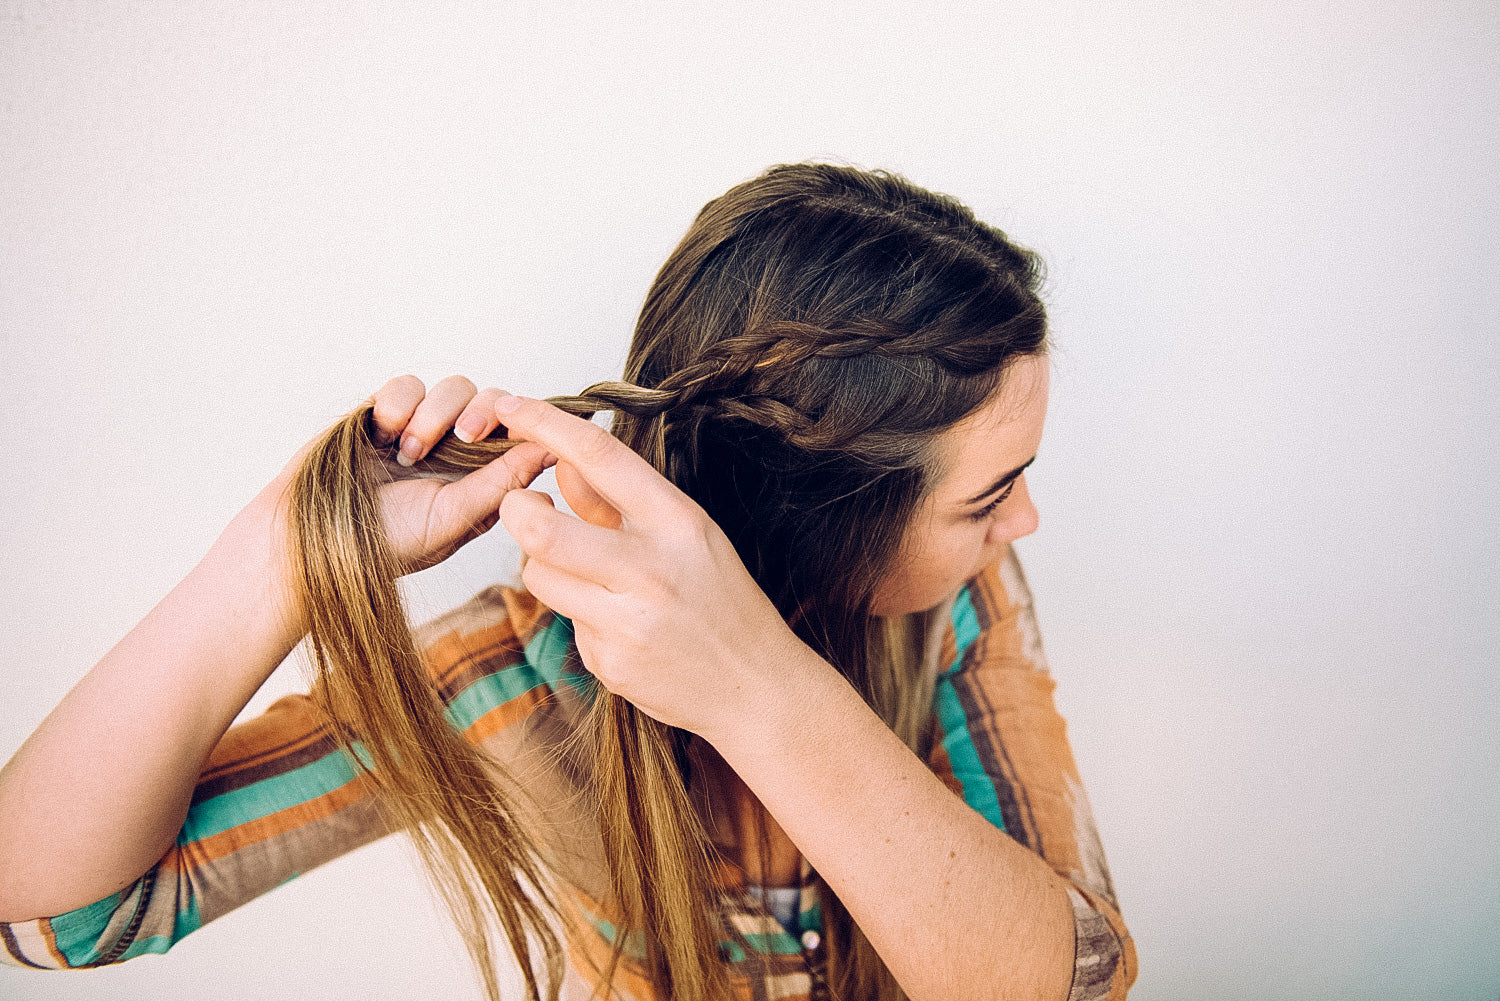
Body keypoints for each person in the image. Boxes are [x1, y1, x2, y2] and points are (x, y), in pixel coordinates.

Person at [0, 163, 1135, 1001]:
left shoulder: (964, 608)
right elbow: (59, 915)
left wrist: (755, 686)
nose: (1024, 524)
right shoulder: (516, 682)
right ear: (826, 519)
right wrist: (290, 546)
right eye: (989, 497)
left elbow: (1075, 982)